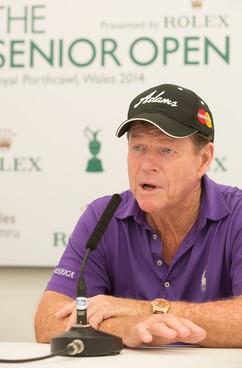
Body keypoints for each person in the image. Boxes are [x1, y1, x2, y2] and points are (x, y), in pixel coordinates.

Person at [35, 83, 242, 348]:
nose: (146, 165)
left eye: (167, 150)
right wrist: (126, 328)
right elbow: (47, 321)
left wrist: (143, 310)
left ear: (203, 159)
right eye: (138, 147)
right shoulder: (104, 216)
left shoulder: (236, 215)